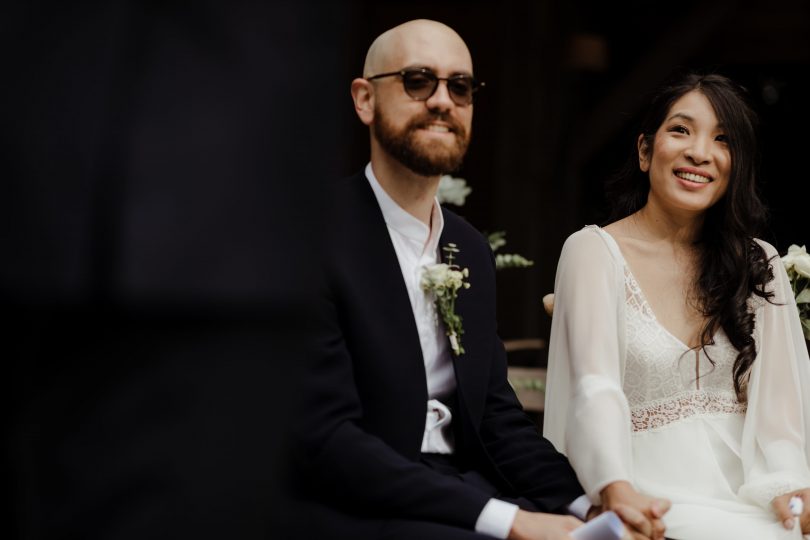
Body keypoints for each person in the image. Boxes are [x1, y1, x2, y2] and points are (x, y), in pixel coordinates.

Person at [296, 18, 662, 540]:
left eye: (460, 86)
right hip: (356, 505)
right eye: (418, 80)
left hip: (461, 492)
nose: (442, 100)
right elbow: (326, 439)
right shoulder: (307, 236)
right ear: (364, 99)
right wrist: (510, 522)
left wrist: (586, 505)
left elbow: (496, 418)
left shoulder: (466, 247)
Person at [543, 71, 810, 540]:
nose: (699, 153)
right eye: (681, 130)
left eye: (722, 139)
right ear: (645, 151)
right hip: (647, 494)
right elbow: (593, 388)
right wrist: (616, 489)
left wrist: (792, 491)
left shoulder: (759, 261)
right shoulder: (592, 252)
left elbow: (780, 411)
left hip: (751, 497)